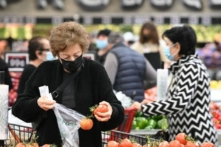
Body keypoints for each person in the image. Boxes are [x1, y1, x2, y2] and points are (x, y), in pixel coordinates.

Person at [12, 22, 124, 147]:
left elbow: (117, 108)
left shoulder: (95, 71)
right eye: (65, 56)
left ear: (83, 49)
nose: (72, 60)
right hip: (50, 143)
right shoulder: (45, 70)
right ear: (57, 54)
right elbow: (19, 107)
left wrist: (111, 111)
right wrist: (37, 103)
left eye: (77, 55)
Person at [131, 25, 218, 145]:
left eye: (167, 44)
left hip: (194, 136)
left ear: (177, 46)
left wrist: (145, 108)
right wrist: (153, 104)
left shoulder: (190, 67)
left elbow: (179, 102)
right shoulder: (183, 67)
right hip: (184, 135)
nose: (165, 48)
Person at [104, 32, 157, 102]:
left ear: (109, 45)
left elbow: (107, 83)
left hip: (122, 103)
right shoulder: (138, 54)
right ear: (124, 42)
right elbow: (155, 79)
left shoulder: (112, 54)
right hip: (139, 104)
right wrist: (139, 85)